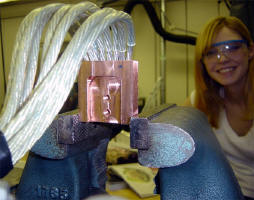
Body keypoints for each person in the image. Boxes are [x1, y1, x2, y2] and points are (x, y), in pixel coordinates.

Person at [184, 16, 254, 200]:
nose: (222, 58)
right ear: (203, 62)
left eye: (232, 47)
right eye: (211, 52)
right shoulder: (201, 100)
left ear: (251, 50)